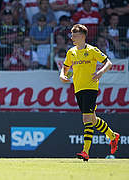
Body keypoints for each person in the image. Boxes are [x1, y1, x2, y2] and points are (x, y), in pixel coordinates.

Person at [59, 24, 120, 161]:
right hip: (78, 88)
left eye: (74, 35)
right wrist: (62, 75)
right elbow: (65, 66)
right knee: (92, 119)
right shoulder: (71, 52)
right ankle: (112, 135)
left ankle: (85, 151)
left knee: (86, 119)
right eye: (72, 35)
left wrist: (100, 72)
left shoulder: (92, 50)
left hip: (91, 88)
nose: (72, 37)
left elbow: (108, 63)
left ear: (82, 36)